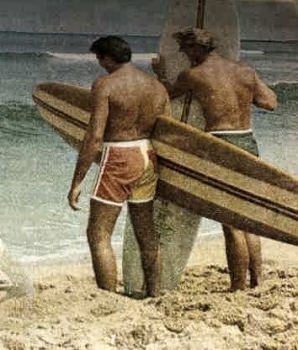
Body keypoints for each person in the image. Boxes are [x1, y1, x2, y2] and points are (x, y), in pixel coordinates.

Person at [153, 27, 277, 291]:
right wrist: (241, 97)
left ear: (197, 48)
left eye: (186, 50)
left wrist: (159, 72)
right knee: (248, 218)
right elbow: (270, 103)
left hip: (220, 146)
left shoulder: (193, 75)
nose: (185, 56)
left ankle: (237, 287)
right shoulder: (245, 70)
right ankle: (257, 280)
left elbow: (167, 94)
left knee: (230, 223)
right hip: (248, 143)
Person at [67, 36, 169, 298]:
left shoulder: (106, 85)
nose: (100, 65)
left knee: (98, 233)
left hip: (119, 156)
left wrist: (77, 180)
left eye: (99, 59)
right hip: (148, 155)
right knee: (145, 231)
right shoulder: (156, 87)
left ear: (108, 58)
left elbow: (95, 136)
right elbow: (167, 131)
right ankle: (154, 293)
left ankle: (109, 297)